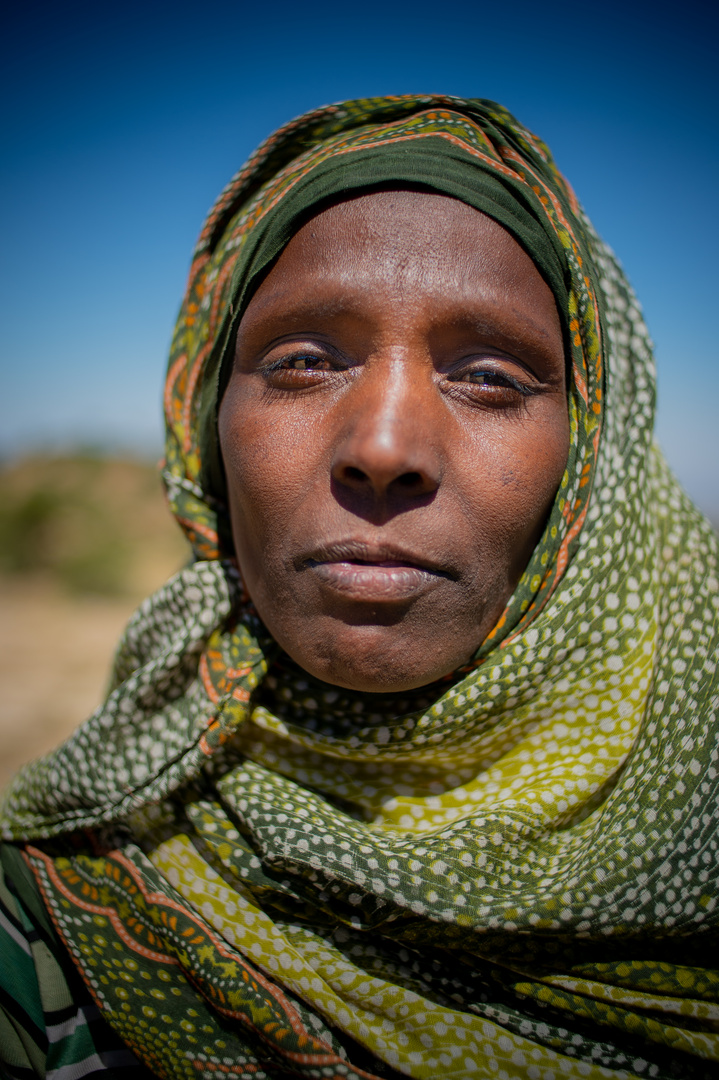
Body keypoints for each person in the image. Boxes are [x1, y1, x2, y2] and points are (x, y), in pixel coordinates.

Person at [1, 95, 717, 1080]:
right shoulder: (50, 925)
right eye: (301, 361)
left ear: (591, 456)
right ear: (206, 423)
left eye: (490, 376)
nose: (383, 446)